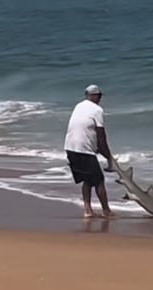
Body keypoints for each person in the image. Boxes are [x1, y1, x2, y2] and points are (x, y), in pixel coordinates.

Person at [63, 84, 115, 218]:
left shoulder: (79, 106)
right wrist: (109, 157)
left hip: (70, 147)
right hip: (83, 149)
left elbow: (83, 128)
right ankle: (106, 211)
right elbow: (101, 136)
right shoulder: (97, 110)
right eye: (99, 96)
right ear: (96, 96)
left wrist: (96, 148)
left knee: (87, 180)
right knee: (99, 181)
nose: (100, 99)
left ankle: (87, 210)